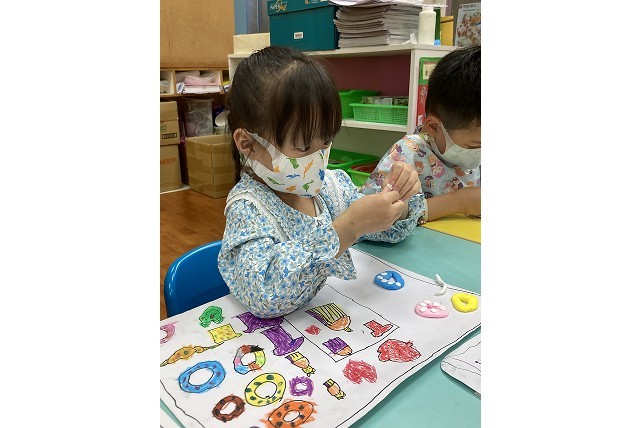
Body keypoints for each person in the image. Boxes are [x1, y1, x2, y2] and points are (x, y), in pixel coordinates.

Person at [218, 46, 424, 319]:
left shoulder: (331, 188)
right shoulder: (248, 209)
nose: (317, 158)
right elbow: (264, 295)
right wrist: (348, 227)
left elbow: (380, 231)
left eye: (326, 141)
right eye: (303, 146)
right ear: (248, 144)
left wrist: (399, 200)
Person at [362, 45, 481, 222]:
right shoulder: (407, 154)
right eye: (475, 146)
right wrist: (460, 202)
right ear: (433, 127)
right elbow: (371, 214)